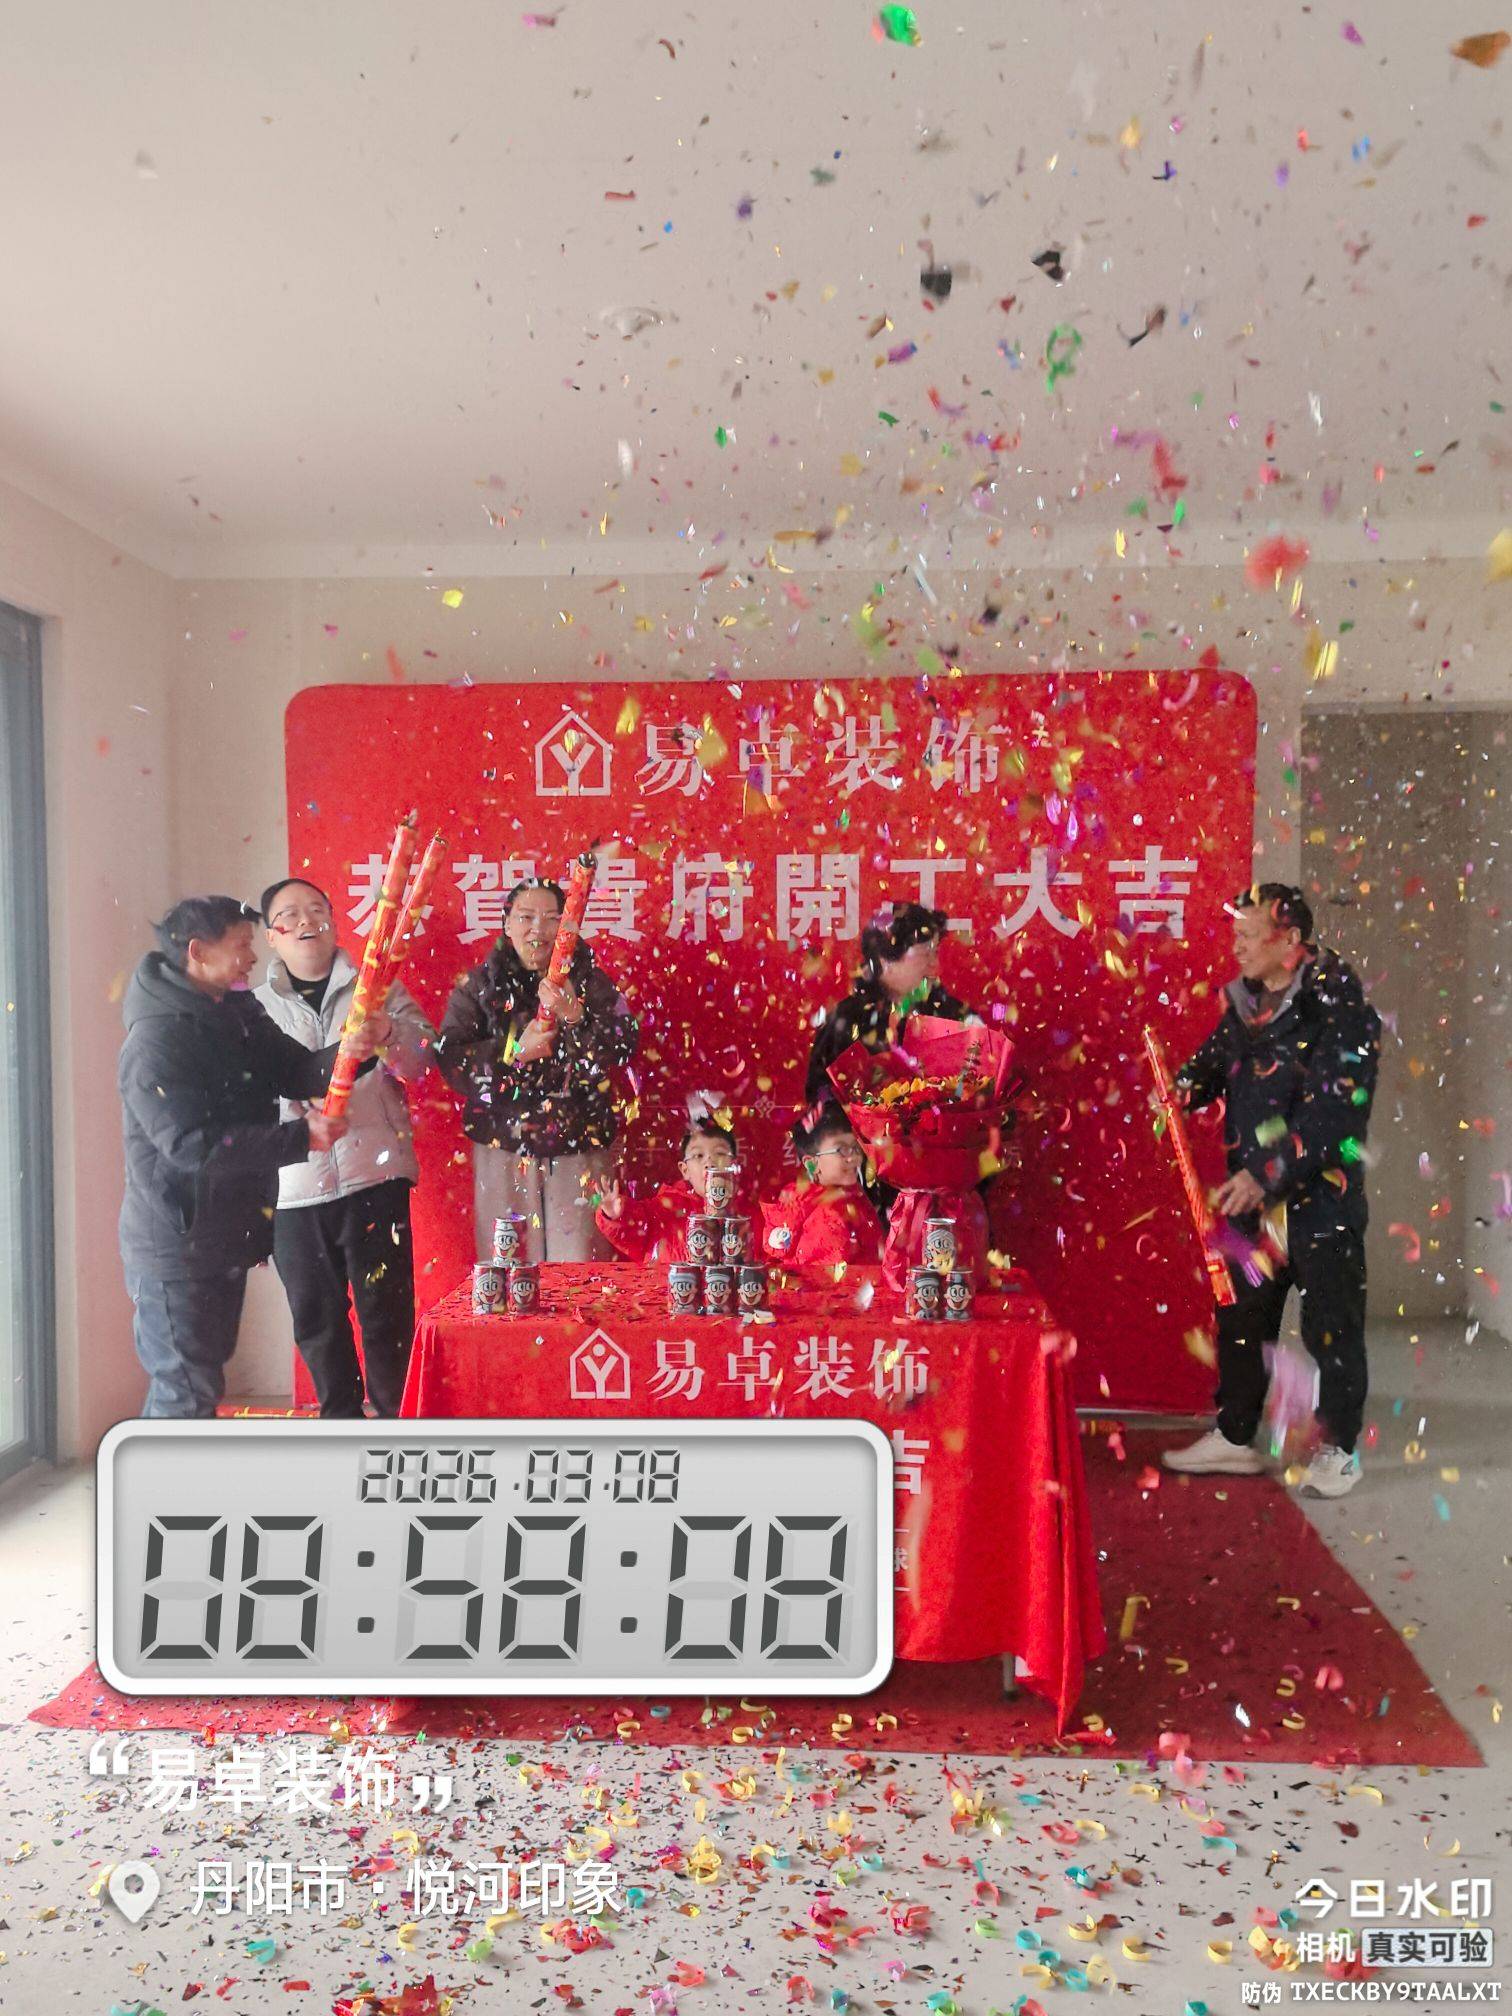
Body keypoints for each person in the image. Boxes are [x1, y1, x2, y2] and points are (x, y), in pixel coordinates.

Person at [118, 895, 380, 1419]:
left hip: (220, 1234)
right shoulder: (156, 1038)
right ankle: (153, 1473)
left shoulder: (235, 1009)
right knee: (184, 1388)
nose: (252, 958)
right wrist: (299, 1138)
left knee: (199, 1381)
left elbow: (296, 1071)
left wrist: (353, 1052)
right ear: (197, 952)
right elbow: (191, 1144)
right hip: (177, 1241)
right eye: (241, 946)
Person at [1163, 884, 1381, 1499]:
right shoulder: (1247, 1004)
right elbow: (1216, 1059)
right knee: (1240, 1316)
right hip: (1251, 1204)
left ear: (1290, 940)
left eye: (1248, 935)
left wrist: (1267, 1174)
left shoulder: (1340, 1010)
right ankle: (1235, 1436)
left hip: (1320, 1198)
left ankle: (1339, 1449)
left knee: (1330, 1324)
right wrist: (1185, 1086)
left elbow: (1335, 1116)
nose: (1236, 947)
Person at [256, 877, 437, 1418]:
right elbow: (244, 1094)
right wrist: (296, 1113)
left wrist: (389, 1033)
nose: (306, 921)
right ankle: (340, 1428)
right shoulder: (254, 1009)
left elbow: (425, 1061)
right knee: (316, 1320)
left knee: (388, 1314)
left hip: (374, 1178)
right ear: (271, 935)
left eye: (317, 909)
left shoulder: (375, 986)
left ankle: (396, 1429)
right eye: (290, 914)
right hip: (293, 1189)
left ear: (335, 921)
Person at [435, 878, 639, 1263]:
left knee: (580, 1270)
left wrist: (575, 1016)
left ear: (567, 927)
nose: (538, 929)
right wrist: (514, 1053)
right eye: (526, 917)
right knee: (507, 1268)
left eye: (551, 919)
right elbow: (451, 1060)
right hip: (503, 1146)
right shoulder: (479, 986)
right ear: (506, 924)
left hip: (579, 1145)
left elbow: (624, 1045)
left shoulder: (591, 980)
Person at [804, 901, 972, 1109]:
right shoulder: (847, 1021)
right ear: (884, 958)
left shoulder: (951, 1014)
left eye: (935, 952)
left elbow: (975, 1085)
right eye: (925, 954)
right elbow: (820, 1099)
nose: (934, 966)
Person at [596, 1117, 744, 1262]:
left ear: (734, 1164)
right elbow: (636, 1226)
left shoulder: (745, 1214)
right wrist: (619, 1216)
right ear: (685, 1170)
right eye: (699, 1155)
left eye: (720, 1154)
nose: (709, 1163)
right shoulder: (664, 1209)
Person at [761, 1108, 885, 1267]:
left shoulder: (854, 1195)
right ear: (812, 1164)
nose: (854, 1158)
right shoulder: (802, 1202)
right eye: (842, 1150)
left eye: (855, 1149)